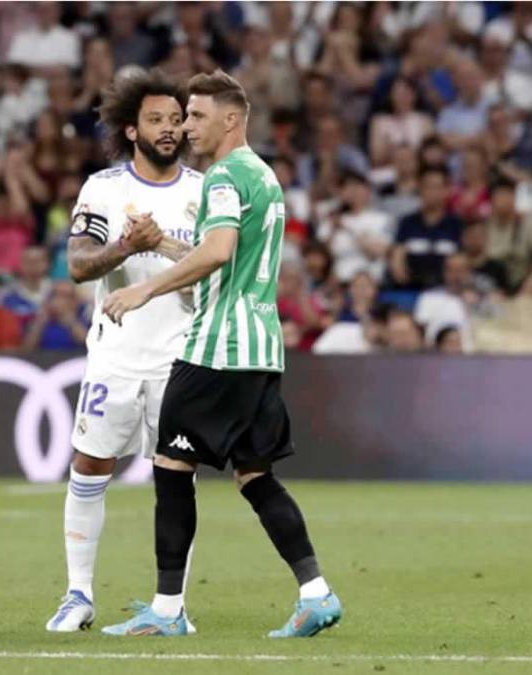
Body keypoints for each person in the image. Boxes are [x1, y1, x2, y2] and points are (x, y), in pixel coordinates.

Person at [102, 71, 340, 638]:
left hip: (217, 349)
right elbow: (224, 254)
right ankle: (316, 594)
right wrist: (161, 242)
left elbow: (217, 252)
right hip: (261, 350)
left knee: (171, 467)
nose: (186, 127)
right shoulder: (263, 175)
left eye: (197, 116)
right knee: (254, 476)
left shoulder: (224, 177)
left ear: (231, 119)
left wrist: (142, 289)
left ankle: (167, 611)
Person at [43, 69, 204, 634]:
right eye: (156, 119)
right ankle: (78, 594)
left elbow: (215, 270)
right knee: (90, 464)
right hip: (115, 356)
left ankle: (171, 605)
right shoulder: (103, 189)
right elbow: (78, 265)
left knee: (176, 476)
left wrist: (162, 243)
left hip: (180, 359)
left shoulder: (204, 191)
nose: (169, 128)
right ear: (131, 130)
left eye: (176, 119)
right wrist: (126, 245)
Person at [389, 166, 464, 290]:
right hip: (411, 288)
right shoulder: (407, 222)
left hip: (447, 290)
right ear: (420, 189)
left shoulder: (456, 224)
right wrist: (397, 266)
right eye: (428, 187)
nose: (432, 192)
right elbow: (397, 254)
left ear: (446, 190)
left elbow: (462, 260)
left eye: (437, 187)